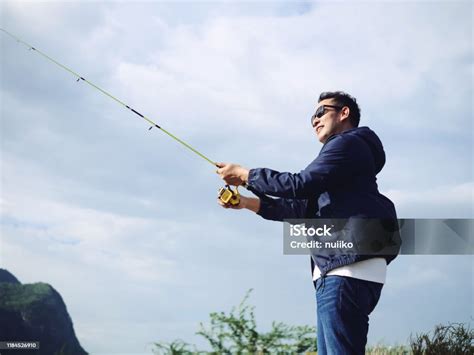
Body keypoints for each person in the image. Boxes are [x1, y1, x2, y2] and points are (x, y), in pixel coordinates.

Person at [216, 91, 400, 355]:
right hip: (344, 270)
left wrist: (246, 174)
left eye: (320, 112)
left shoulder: (346, 144)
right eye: (311, 116)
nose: (314, 120)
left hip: (344, 269)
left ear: (344, 113)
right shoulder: (348, 163)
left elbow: (300, 184)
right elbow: (302, 208)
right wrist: (246, 201)